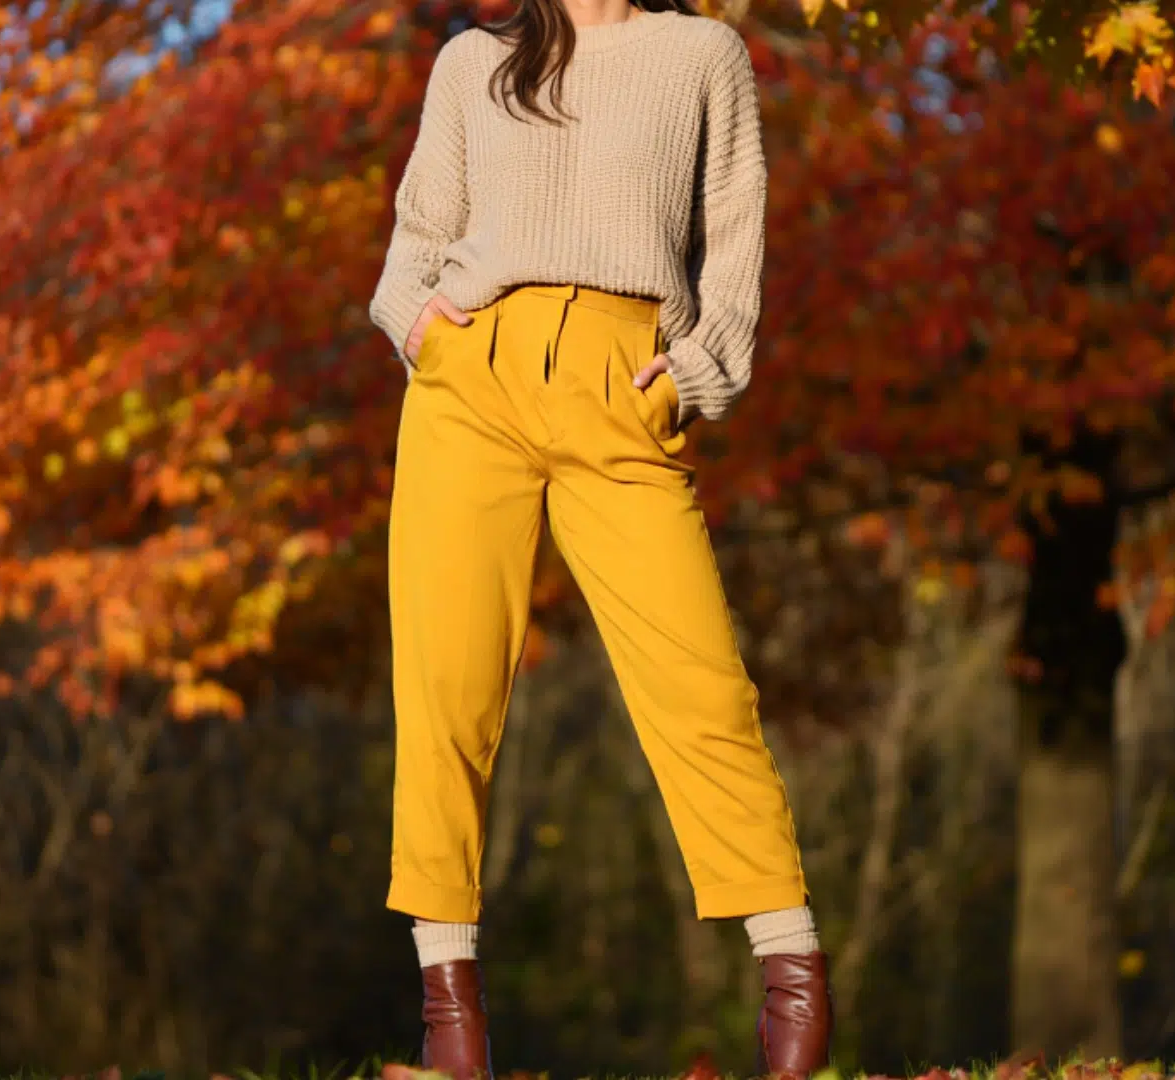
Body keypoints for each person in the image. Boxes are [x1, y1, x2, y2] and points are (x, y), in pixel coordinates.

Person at [367, 0, 832, 1077]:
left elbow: (735, 232)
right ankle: (448, 1002)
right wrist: (423, 328)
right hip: (468, 392)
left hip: (622, 391)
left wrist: (702, 371)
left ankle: (791, 958)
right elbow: (417, 241)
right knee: (447, 689)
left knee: (699, 684)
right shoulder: (472, 64)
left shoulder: (701, 55)